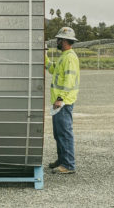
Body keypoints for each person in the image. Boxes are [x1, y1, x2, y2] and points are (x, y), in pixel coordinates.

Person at [45, 27, 80, 174]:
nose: (57, 42)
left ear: (64, 41)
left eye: (59, 39)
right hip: (59, 103)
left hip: (63, 103)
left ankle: (68, 165)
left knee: (64, 133)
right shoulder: (64, 56)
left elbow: (69, 81)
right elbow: (53, 69)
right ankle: (62, 160)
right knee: (58, 133)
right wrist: (44, 56)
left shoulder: (70, 58)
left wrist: (60, 99)